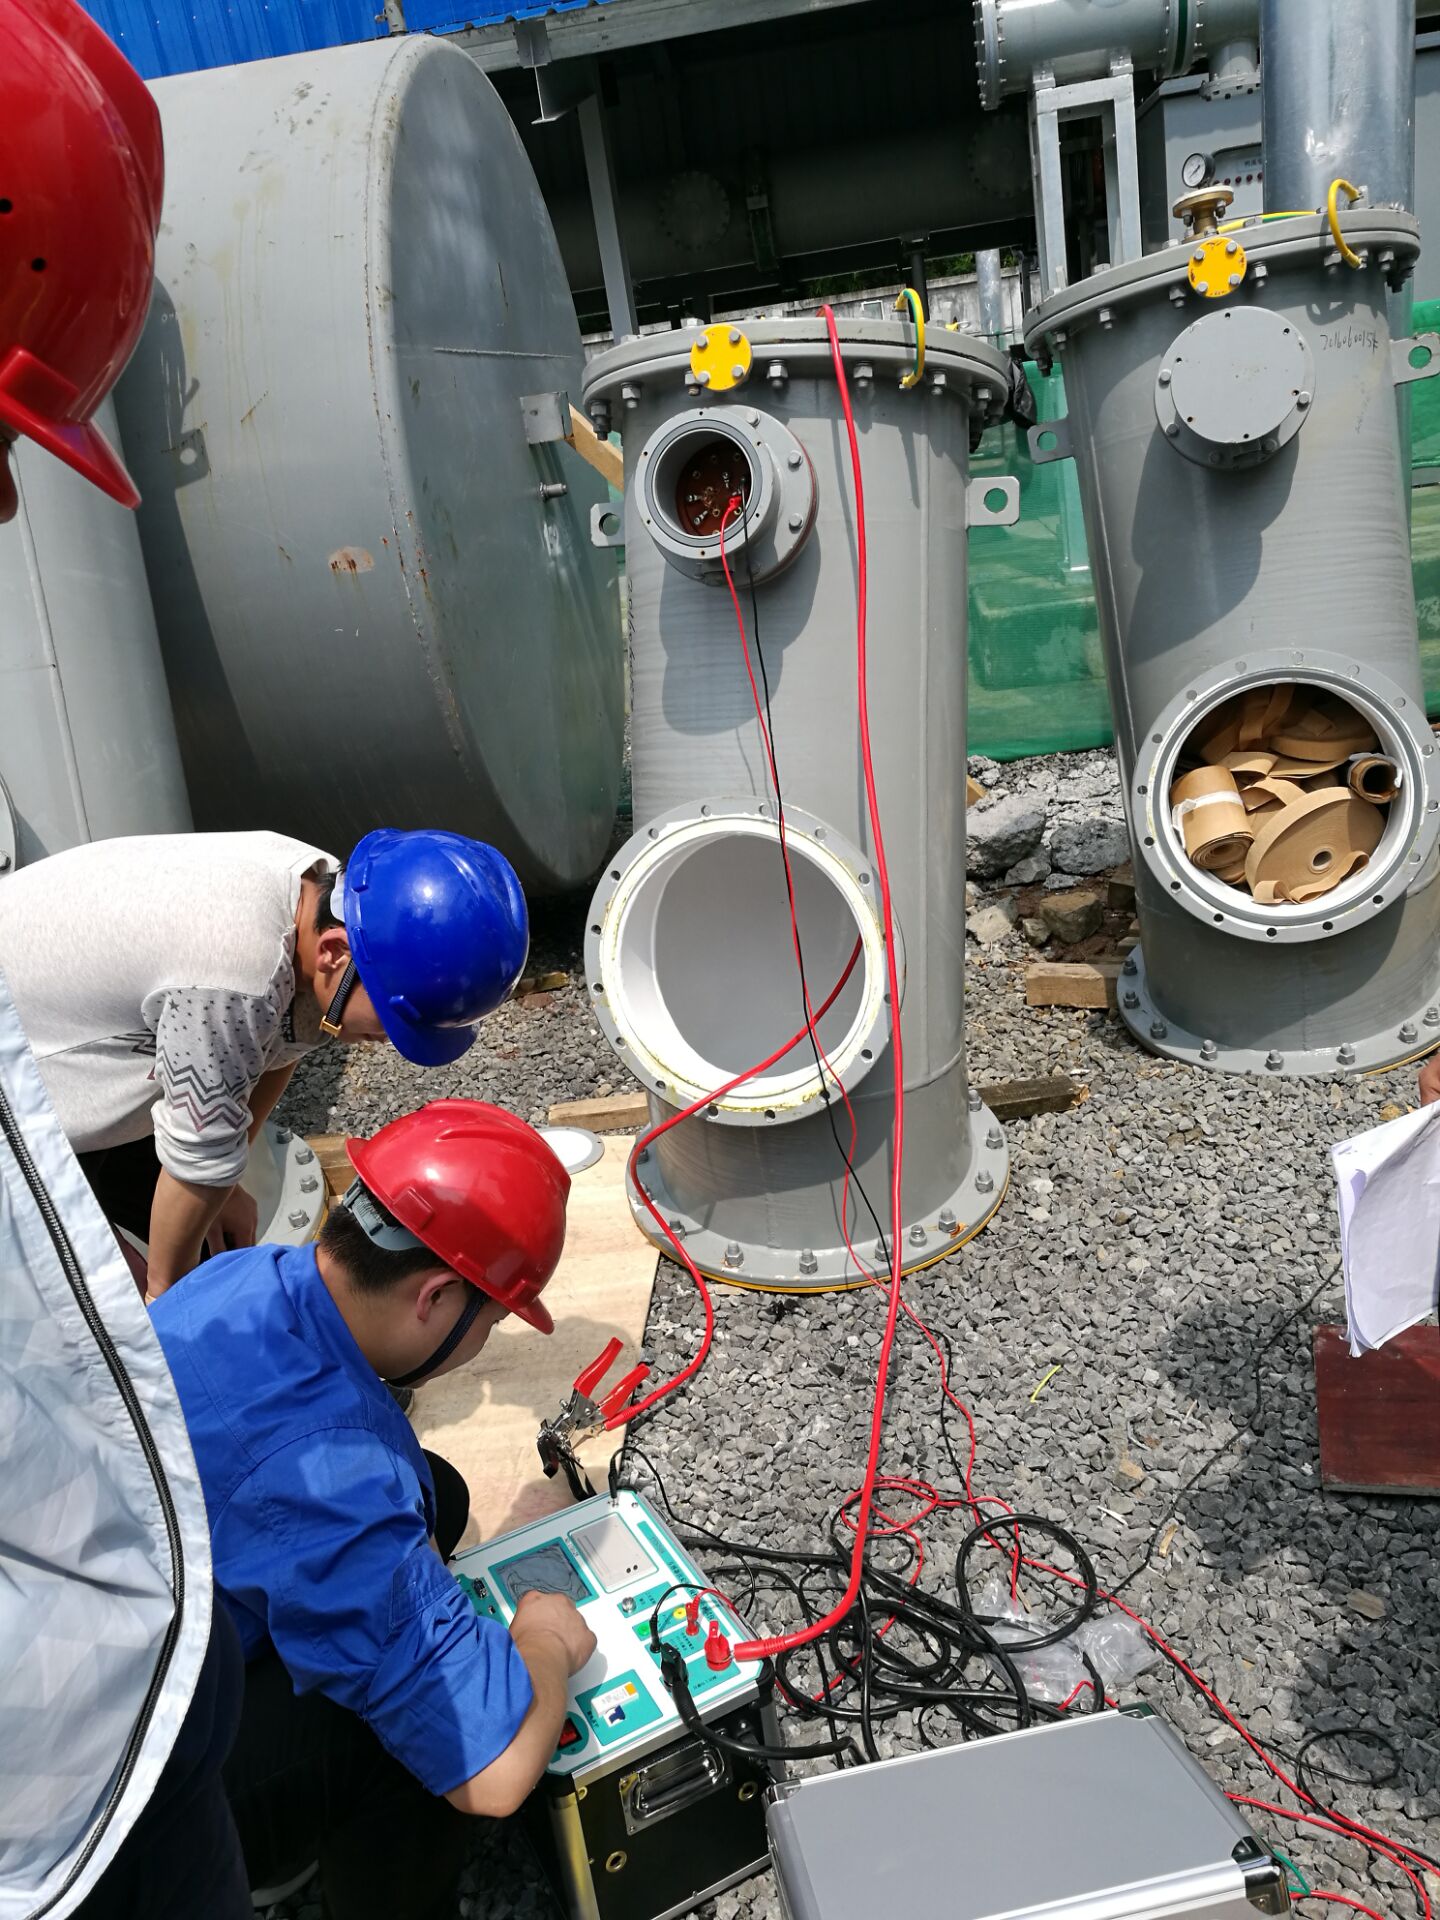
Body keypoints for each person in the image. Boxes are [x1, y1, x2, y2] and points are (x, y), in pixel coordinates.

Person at [1, 9, 250, 1913]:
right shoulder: (251, 958)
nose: (18, 507)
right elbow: (182, 1173)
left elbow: (228, 1120)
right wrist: (183, 1335)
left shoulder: (282, 900)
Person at [150, 1099, 597, 1920]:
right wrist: (544, 1641)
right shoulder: (331, 1477)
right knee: (409, 1742)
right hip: (101, 1800)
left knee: (436, 1493)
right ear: (435, 1297)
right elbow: (495, 1776)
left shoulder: (244, 1276)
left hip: (122, 1616)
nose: (484, 1346)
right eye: (492, 1321)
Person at [0, 824, 529, 1296]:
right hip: (21, 1086)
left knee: (193, 1235)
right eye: (392, 1021)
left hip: (73, 1040)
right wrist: (165, 1302)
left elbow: (284, 1039)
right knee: (108, 1313)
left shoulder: (326, 896)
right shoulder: (234, 976)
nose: (389, 1041)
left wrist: (224, 1182)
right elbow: (197, 1156)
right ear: (334, 953)